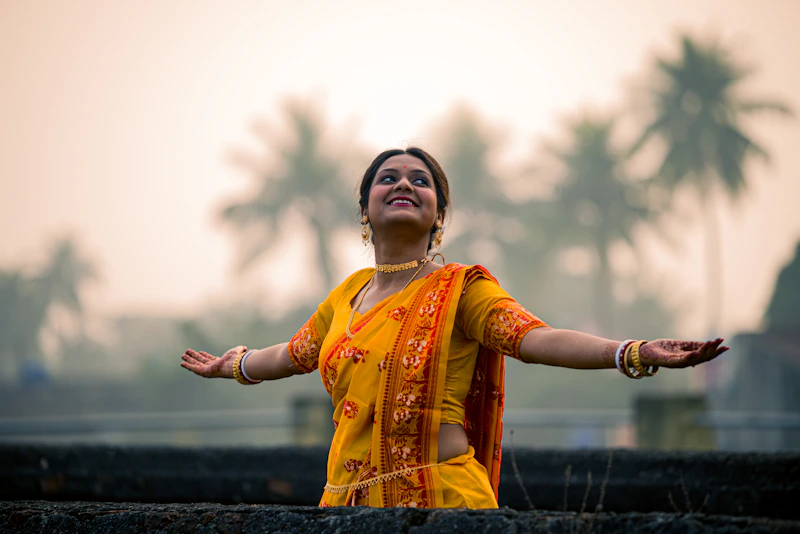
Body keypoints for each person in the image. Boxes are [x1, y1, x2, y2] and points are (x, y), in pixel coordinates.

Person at [181, 147, 728, 509]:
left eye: (421, 181)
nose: (404, 183)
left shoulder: (459, 288)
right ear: (365, 210)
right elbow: (291, 355)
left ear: (438, 213)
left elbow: (534, 339)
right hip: (346, 504)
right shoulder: (346, 296)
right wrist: (231, 365)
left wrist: (631, 351)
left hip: (441, 503)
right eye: (388, 178)